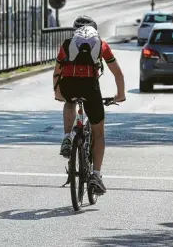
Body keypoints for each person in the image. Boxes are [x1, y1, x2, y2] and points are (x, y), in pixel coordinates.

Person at [52, 15, 126, 194]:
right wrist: (120, 95)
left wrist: (58, 93)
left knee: (69, 102)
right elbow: (118, 74)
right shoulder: (101, 45)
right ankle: (96, 175)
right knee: (98, 132)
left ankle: (67, 137)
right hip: (90, 88)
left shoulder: (67, 44)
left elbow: (57, 71)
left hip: (69, 85)